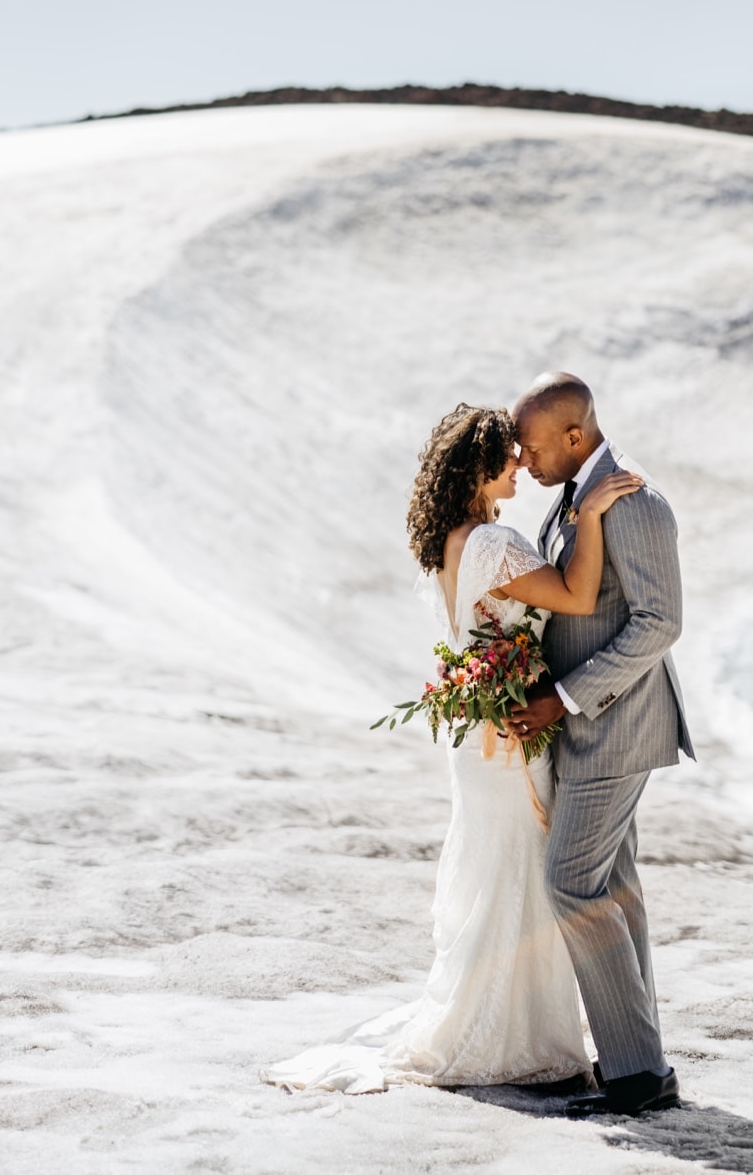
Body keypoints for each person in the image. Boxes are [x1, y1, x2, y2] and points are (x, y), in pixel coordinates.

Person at [263, 402, 642, 1094]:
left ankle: (519, 1020)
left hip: (478, 736)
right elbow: (580, 596)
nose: (522, 467)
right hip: (507, 739)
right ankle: (512, 1032)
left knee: (499, 866)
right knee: (518, 867)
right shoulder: (493, 546)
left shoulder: (450, 541)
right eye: (510, 458)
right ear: (480, 466)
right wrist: (588, 517)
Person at [506, 371, 694, 1118]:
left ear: (575, 437)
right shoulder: (579, 500)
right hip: (590, 727)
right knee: (611, 885)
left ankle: (636, 1073)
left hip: (617, 725)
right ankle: (637, 1062)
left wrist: (564, 696)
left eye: (532, 443)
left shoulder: (636, 502)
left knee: (572, 881)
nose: (523, 459)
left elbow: (659, 622)